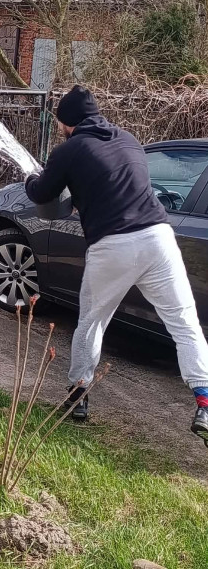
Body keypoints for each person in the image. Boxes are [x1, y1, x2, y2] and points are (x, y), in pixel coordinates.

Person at [25, 84, 208, 444]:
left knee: (91, 322)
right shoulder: (128, 140)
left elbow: (42, 196)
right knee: (185, 325)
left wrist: (31, 179)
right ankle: (205, 402)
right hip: (159, 238)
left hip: (113, 245)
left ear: (68, 122)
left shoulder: (69, 149)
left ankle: (78, 396)